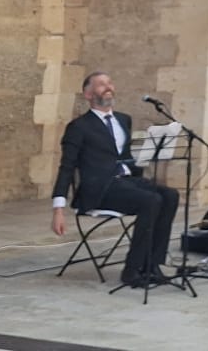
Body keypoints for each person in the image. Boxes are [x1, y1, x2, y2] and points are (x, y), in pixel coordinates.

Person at [50, 71, 179, 288]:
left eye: (110, 83)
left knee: (170, 195)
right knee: (151, 201)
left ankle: (152, 265)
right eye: (101, 85)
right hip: (99, 189)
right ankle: (131, 270)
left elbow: (124, 157)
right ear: (88, 94)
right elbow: (66, 167)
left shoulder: (123, 119)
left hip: (126, 182)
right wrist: (58, 210)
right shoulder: (79, 127)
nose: (108, 87)